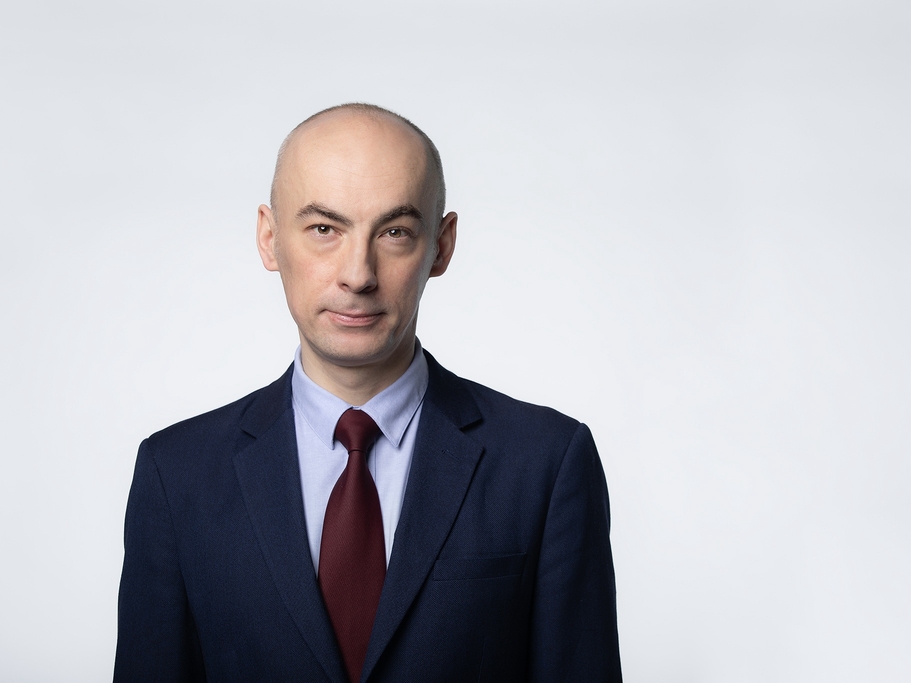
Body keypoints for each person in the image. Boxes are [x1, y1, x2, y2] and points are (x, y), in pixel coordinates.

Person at [114, 103, 621, 683]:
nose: (358, 274)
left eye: (395, 233)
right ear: (270, 238)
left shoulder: (546, 463)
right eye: (324, 229)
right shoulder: (175, 473)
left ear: (442, 246)